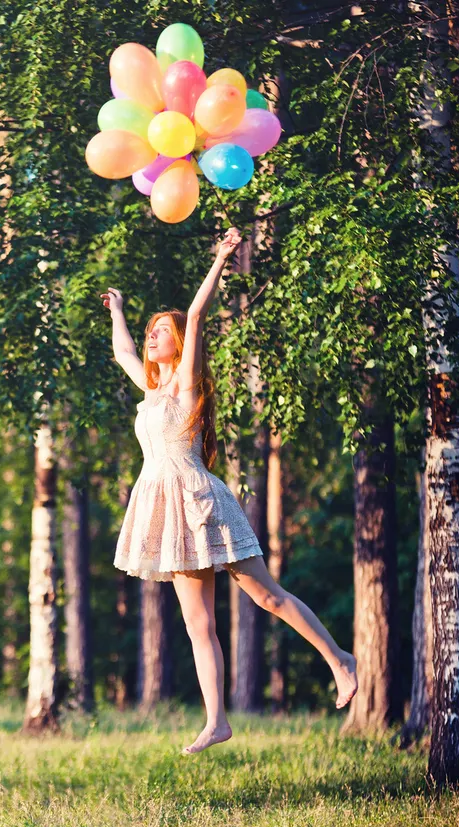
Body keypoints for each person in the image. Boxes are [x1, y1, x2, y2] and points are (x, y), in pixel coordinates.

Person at [102, 227, 358, 755]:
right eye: (152, 332)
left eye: (160, 331)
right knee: (199, 625)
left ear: (178, 341)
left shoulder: (186, 384)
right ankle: (217, 720)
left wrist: (221, 259)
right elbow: (123, 352)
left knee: (266, 595)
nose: (153, 337)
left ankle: (340, 660)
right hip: (164, 510)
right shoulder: (150, 390)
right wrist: (118, 312)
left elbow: (196, 315)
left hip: (199, 502)